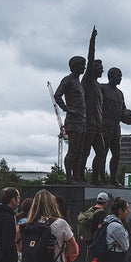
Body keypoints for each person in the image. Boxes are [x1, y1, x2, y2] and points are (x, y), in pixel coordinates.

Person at [54, 55, 86, 185]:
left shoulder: (78, 82)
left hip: (82, 120)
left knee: (79, 151)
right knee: (72, 151)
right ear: (75, 66)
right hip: (73, 121)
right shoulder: (68, 80)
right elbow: (57, 95)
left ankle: (77, 177)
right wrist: (66, 108)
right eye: (82, 65)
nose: (84, 67)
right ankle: (69, 178)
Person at [80, 26, 105, 185]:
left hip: (98, 125)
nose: (102, 70)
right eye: (100, 68)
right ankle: (80, 178)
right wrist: (92, 40)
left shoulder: (98, 85)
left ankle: (95, 179)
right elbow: (90, 59)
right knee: (84, 152)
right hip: (88, 124)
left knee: (101, 153)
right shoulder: (88, 81)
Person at [101, 67, 127, 187]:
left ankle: (113, 179)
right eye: (118, 76)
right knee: (103, 153)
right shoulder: (103, 88)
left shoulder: (120, 93)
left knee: (116, 154)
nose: (120, 78)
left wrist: (128, 117)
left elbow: (123, 110)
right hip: (104, 125)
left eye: (121, 76)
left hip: (116, 127)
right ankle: (101, 178)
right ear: (111, 76)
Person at [83, 192, 109, 262]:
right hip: (96, 245)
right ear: (106, 202)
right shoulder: (101, 213)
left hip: (89, 244)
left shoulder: (90, 209)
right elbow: (101, 230)